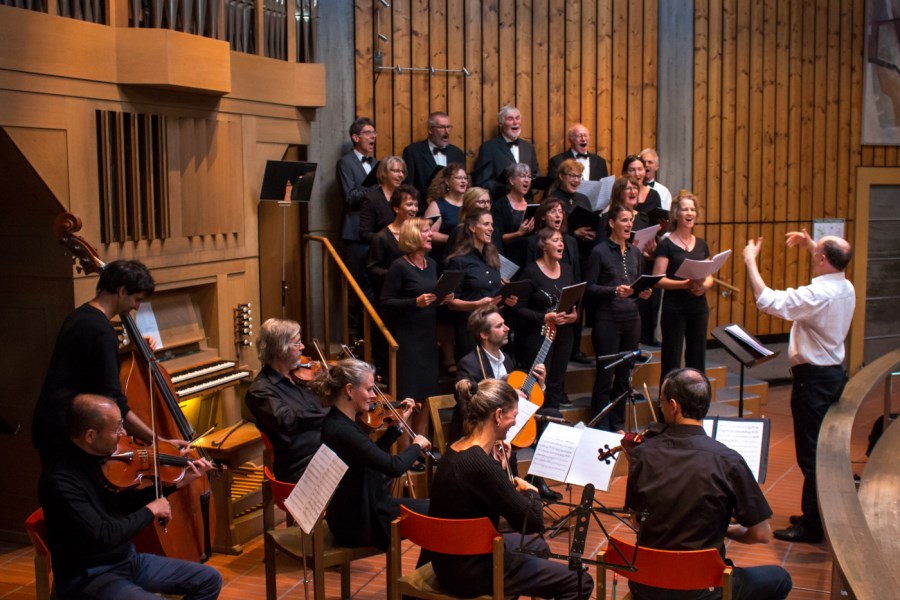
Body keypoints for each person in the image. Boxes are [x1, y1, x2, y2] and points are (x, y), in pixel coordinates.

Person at [625, 368, 792, 600]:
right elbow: (761, 534)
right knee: (780, 578)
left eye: (661, 402)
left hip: (647, 586)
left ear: (674, 406)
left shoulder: (642, 454)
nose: (660, 407)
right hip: (703, 590)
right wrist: (724, 528)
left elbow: (635, 520)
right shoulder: (728, 460)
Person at [39, 393, 222, 600]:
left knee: (209, 579)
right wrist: (151, 510)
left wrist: (177, 482)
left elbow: (123, 504)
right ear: (90, 436)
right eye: (116, 428)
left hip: (127, 561)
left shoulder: (100, 459)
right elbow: (105, 535)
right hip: (89, 576)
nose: (123, 433)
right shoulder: (61, 481)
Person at [429, 379, 594, 600]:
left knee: (538, 546)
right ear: (498, 415)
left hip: (448, 561)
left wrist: (499, 470)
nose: (515, 422)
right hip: (470, 572)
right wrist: (532, 491)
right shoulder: (481, 465)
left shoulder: (456, 448)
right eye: (514, 416)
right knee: (580, 582)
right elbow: (532, 522)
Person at [743, 229, 855, 544]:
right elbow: (826, 260)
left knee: (812, 456)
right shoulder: (846, 286)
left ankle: (813, 527)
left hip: (813, 381)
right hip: (832, 375)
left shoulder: (818, 295)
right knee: (821, 449)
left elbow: (765, 300)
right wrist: (810, 245)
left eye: (815, 250)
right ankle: (814, 514)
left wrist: (750, 261)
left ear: (822, 260)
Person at [33, 260, 186, 465]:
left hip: (53, 424)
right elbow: (116, 402)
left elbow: (88, 363)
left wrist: (126, 350)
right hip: (69, 433)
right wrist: (158, 442)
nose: (136, 307)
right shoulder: (101, 331)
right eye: (136, 299)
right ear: (122, 290)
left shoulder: (80, 315)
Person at [310, 359, 431, 550]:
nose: (374, 396)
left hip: (361, 506)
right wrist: (416, 446)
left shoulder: (342, 421)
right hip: (359, 521)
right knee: (435, 509)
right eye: (369, 389)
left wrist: (398, 428)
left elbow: (371, 454)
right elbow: (394, 467)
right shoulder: (342, 430)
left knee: (433, 508)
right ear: (349, 390)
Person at [586, 204, 652, 432]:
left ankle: (617, 423)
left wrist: (642, 292)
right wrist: (612, 291)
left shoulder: (635, 252)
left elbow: (635, 283)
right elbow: (589, 288)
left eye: (631, 220)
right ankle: (599, 424)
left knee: (624, 376)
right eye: (624, 220)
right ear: (612, 223)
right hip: (607, 319)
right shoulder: (599, 252)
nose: (629, 224)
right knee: (606, 374)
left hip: (631, 318)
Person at [380, 218, 453, 406]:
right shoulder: (399, 266)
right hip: (408, 340)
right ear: (413, 235)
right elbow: (385, 303)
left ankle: (422, 436)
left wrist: (442, 299)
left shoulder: (432, 264)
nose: (431, 235)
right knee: (409, 399)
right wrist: (415, 302)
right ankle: (405, 436)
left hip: (428, 338)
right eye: (426, 231)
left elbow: (430, 300)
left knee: (426, 398)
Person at [244, 319, 327, 483]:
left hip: (324, 451)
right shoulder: (260, 391)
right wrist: (330, 415)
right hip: (301, 466)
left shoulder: (298, 377)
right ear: (279, 350)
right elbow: (287, 420)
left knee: (371, 464)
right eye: (297, 344)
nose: (303, 347)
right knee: (364, 472)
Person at [514, 228, 578, 417]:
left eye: (562, 240)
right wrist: (544, 317)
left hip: (564, 333)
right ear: (543, 246)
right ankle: (531, 425)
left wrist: (574, 316)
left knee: (557, 382)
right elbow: (518, 308)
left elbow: (575, 300)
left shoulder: (567, 268)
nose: (561, 244)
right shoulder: (531, 272)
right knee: (537, 381)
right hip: (539, 335)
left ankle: (552, 425)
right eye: (556, 240)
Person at [653, 192, 713, 380]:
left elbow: (709, 276)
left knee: (697, 357)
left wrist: (704, 286)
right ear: (676, 214)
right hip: (675, 307)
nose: (690, 213)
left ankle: (695, 404)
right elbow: (657, 279)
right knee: (672, 357)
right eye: (685, 209)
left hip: (698, 306)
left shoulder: (701, 244)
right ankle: (667, 404)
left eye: (693, 209)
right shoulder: (666, 245)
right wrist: (684, 284)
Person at [446, 209, 517, 359]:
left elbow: (494, 294)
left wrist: (506, 300)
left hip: (494, 329)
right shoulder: (459, 261)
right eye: (486, 224)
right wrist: (476, 304)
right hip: (471, 329)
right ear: (472, 227)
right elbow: (451, 303)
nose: (491, 228)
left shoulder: (493, 258)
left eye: (492, 224)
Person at [336, 117, 378, 337]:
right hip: (354, 234)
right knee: (357, 288)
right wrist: (375, 189)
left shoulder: (374, 163)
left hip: (373, 232)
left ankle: (371, 335)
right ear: (356, 137)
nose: (373, 137)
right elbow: (350, 196)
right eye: (368, 133)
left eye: (374, 133)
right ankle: (356, 338)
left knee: (372, 288)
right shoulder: (346, 162)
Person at [472, 106, 540, 200]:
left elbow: (536, 175)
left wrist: (526, 189)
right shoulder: (489, 148)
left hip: (526, 203)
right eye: (510, 119)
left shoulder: (528, 147)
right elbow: (482, 181)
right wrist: (509, 189)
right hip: (501, 204)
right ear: (501, 124)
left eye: (517, 118)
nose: (515, 122)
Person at [367, 184, 420, 299]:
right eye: (409, 204)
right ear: (396, 208)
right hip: (394, 295)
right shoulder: (381, 237)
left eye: (416, 205)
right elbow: (373, 269)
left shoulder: (418, 234)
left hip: (415, 294)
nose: (414, 209)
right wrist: (398, 274)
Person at [402, 111, 466, 198]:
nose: (446, 131)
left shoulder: (457, 153)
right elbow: (407, 186)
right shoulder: (413, 152)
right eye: (442, 127)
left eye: (448, 127)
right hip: (423, 207)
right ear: (430, 130)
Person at [423, 163, 468, 266]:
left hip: (467, 258)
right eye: (459, 178)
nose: (463, 181)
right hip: (443, 258)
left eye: (465, 178)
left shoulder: (469, 204)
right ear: (447, 181)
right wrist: (455, 239)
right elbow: (430, 233)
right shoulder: (436, 205)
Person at [491, 162, 535, 267]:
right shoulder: (499, 205)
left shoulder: (531, 205)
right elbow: (498, 238)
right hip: (509, 258)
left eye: (529, 177)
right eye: (522, 176)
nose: (527, 180)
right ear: (511, 180)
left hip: (529, 258)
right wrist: (519, 233)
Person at [360, 156, 407, 243]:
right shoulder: (372, 198)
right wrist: (388, 239)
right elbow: (365, 234)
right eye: (396, 171)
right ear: (384, 172)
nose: (401, 175)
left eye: (403, 172)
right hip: (381, 251)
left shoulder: (404, 196)